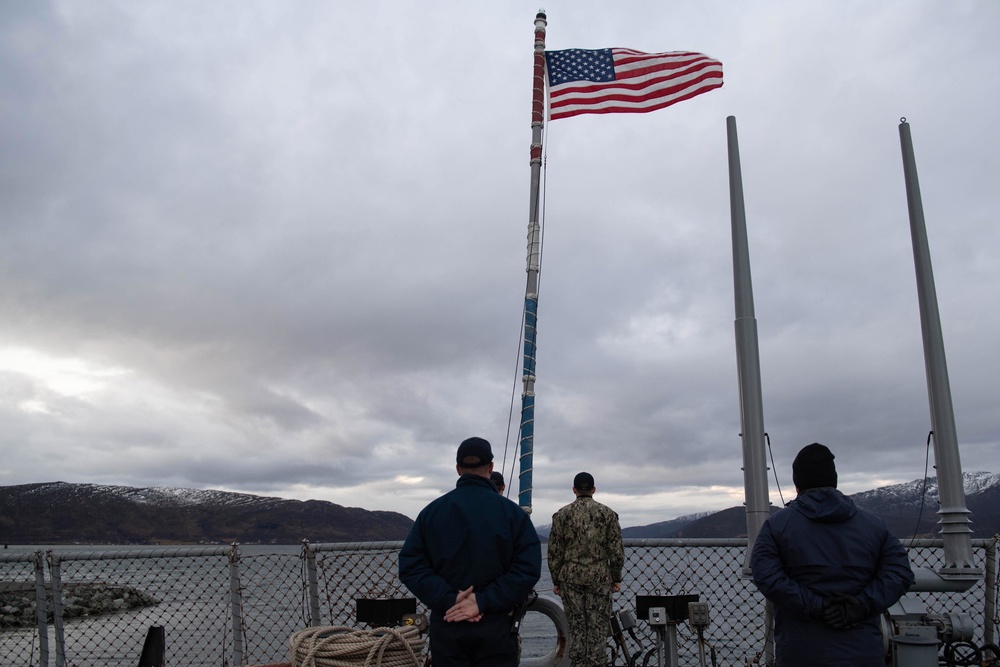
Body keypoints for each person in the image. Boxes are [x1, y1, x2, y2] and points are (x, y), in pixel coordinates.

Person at [750, 443, 915, 667]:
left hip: (800, 653)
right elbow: (900, 573)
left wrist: (818, 606)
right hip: (863, 652)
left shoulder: (777, 526)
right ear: (834, 479)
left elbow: (765, 575)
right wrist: (860, 605)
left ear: (797, 482)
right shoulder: (874, 526)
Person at [398, 437, 541, 667]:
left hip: (448, 625)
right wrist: (481, 601)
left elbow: (410, 565)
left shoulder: (431, 513)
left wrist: (450, 598)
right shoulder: (513, 515)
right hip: (496, 628)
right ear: (491, 467)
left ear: (458, 469)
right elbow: (528, 568)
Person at [547, 472, 624, 667]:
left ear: (574, 490)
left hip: (570, 578)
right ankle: (596, 662)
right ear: (593, 490)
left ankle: (578, 663)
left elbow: (555, 552)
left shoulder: (562, 515)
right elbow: (616, 551)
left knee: (577, 627)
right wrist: (616, 577)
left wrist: (556, 580)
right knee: (597, 627)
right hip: (599, 577)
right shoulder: (607, 514)